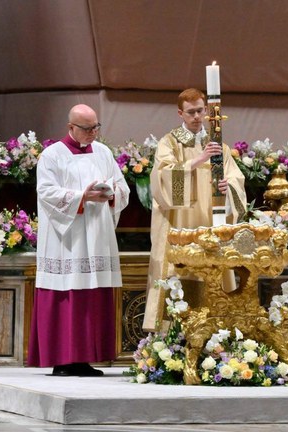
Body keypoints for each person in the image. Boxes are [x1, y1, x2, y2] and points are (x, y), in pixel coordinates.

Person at [29, 104, 130, 376]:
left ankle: (86, 358)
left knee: (92, 295)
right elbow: (46, 192)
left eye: (96, 127)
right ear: (70, 127)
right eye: (86, 129)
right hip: (67, 239)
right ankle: (63, 359)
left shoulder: (103, 152)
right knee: (67, 294)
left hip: (96, 234)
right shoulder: (52, 155)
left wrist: (111, 195)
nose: (92, 133)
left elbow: (123, 187)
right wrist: (81, 197)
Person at [142, 88, 247, 332]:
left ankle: (217, 332)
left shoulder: (218, 145)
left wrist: (227, 187)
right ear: (181, 113)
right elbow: (161, 180)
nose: (197, 116)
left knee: (213, 270)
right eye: (191, 112)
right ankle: (173, 336)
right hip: (180, 223)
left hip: (211, 221)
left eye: (201, 110)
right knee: (178, 273)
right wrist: (198, 160)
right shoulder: (169, 142)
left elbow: (236, 178)